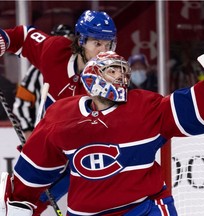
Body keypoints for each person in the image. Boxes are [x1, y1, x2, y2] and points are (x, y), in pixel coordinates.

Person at [0, 19, 204, 215]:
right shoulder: (58, 89)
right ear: (81, 43)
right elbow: (23, 36)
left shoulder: (142, 106)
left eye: (121, 70)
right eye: (111, 71)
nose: (120, 76)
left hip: (143, 207)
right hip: (80, 183)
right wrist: (19, 199)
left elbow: (190, 112)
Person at [0, 10, 117, 215]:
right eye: (97, 44)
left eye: (108, 44)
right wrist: (4, 39)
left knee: (38, 204)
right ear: (81, 41)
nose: (103, 51)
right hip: (45, 148)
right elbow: (24, 36)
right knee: (16, 201)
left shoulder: (112, 78)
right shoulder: (56, 52)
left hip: (80, 158)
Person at [12, 24, 75, 139]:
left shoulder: (83, 69)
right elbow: (21, 104)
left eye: (67, 41)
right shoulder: (37, 70)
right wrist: (28, 130)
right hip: (44, 136)